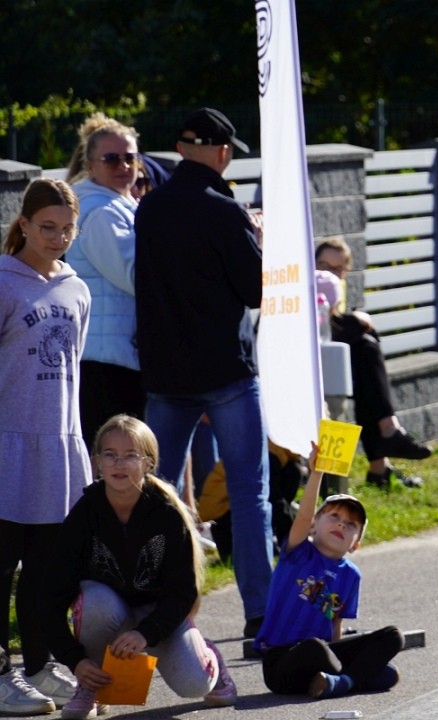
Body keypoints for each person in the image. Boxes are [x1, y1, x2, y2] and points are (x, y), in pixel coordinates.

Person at [134, 107, 274, 639]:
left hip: (166, 373)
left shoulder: (149, 209)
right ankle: (259, 614)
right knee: (249, 494)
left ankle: (150, 613)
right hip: (227, 372)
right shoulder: (225, 209)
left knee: (152, 496)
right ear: (221, 151)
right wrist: (257, 238)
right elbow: (256, 291)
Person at [42, 415, 237, 720]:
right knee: (94, 600)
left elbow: (183, 591)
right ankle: (91, 686)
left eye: (130, 455)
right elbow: (51, 597)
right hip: (109, 611)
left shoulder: (167, 514)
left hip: (158, 615)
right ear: (97, 462)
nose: (119, 464)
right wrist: (75, 660)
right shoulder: (84, 514)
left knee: (193, 684)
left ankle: (208, 653)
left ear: (148, 463)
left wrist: (145, 634)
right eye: (110, 455)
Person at [0, 177, 91, 714]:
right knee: (1, 566)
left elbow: (71, 374)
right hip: (7, 446)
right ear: (25, 225)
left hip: (56, 447)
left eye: (66, 229)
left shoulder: (77, 288)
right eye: (46, 227)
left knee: (46, 571)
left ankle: (37, 665)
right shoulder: (5, 283)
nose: (56, 238)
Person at [254, 443, 404, 699]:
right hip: (283, 662)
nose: (341, 525)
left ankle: (338, 681)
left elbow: (336, 622)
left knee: (393, 639)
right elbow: (301, 517)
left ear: (355, 544)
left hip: (326, 654)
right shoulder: (298, 553)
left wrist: (341, 651)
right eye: (334, 516)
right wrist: (316, 473)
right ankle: (348, 678)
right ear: (314, 526)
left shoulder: (351, 575)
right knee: (315, 648)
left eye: (350, 524)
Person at [315, 237, 432, 488]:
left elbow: (335, 327)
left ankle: (380, 464)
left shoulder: (334, 292)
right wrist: (357, 320)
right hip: (308, 371)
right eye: (322, 265)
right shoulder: (308, 287)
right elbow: (322, 330)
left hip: (333, 370)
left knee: (365, 360)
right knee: (366, 348)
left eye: (336, 270)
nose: (327, 274)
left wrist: (355, 321)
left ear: (345, 273)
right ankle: (385, 445)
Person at [67, 120, 147, 443]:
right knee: (115, 463)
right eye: (111, 159)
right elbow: (135, 276)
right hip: (106, 361)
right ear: (90, 166)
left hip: (112, 354)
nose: (124, 166)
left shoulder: (116, 205)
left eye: (130, 158)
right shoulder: (101, 212)